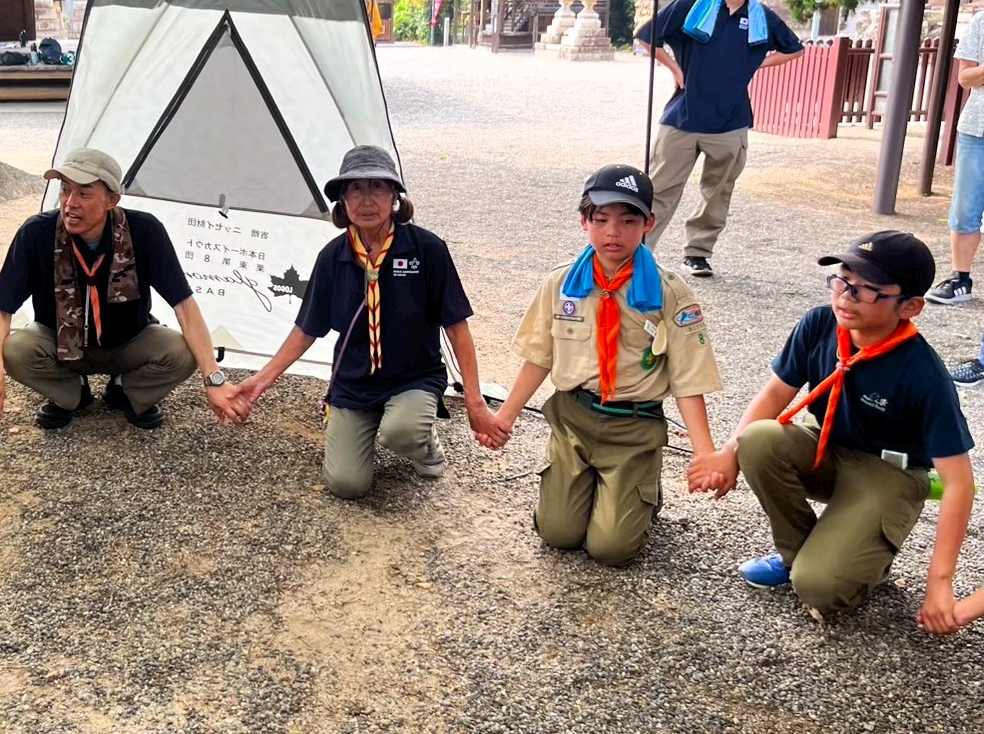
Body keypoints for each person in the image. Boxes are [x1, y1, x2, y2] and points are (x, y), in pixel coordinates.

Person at [688, 231, 977, 633]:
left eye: (867, 290)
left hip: (888, 474)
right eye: (842, 280)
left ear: (910, 306)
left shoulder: (923, 374)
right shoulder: (820, 324)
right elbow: (774, 394)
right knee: (756, 440)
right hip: (827, 448)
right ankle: (798, 554)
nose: (846, 296)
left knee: (820, 588)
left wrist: (939, 582)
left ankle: (852, 562)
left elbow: (959, 483)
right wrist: (726, 453)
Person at [235, 146, 500, 498]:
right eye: (355, 189)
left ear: (395, 197)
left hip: (413, 377)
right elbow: (307, 329)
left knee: (401, 433)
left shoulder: (427, 250)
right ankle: (375, 423)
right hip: (354, 383)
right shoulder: (332, 257)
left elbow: (456, 328)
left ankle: (421, 440)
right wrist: (261, 381)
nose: (366, 199)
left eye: (378, 186)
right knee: (347, 485)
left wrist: (474, 400)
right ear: (343, 201)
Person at [492, 165, 722, 565]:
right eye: (601, 220)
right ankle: (601, 491)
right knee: (558, 534)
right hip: (574, 420)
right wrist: (505, 418)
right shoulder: (562, 284)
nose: (613, 233)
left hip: (634, 426)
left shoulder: (669, 292)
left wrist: (704, 453)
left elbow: (689, 376)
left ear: (648, 223)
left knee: (611, 550)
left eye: (628, 221)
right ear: (584, 221)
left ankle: (641, 486)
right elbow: (539, 357)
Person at [0, 148, 244, 431]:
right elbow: (1, 309)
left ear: (111, 200)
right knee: (14, 349)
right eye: (65, 190)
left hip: (127, 343)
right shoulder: (36, 233)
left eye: (84, 194)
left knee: (183, 353)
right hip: (59, 343)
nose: (70, 203)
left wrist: (214, 379)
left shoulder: (144, 231)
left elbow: (185, 307)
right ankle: (72, 393)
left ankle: (126, 390)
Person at [635, 0, 804, 278]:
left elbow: (794, 49)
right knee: (660, 188)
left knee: (717, 192)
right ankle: (638, 250)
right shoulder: (691, 5)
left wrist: (755, 64)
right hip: (683, 115)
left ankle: (697, 253)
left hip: (731, 119)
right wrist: (675, 69)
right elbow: (646, 36)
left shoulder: (761, 18)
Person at [925, 11, 984, 307]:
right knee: (965, 208)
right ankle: (960, 279)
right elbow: (965, 77)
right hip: (977, 129)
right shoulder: (981, 21)